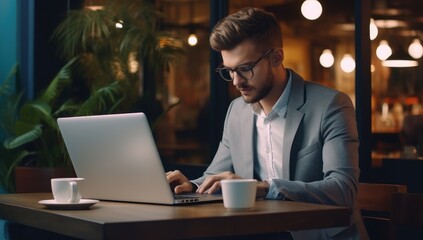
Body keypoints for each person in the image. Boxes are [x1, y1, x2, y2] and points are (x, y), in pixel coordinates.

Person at [166, 7, 369, 240]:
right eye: (229, 70)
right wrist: (191, 186)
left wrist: (263, 187)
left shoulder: (330, 105)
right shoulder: (237, 111)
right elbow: (215, 175)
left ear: (277, 57)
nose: (236, 81)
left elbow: (344, 190)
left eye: (245, 69)